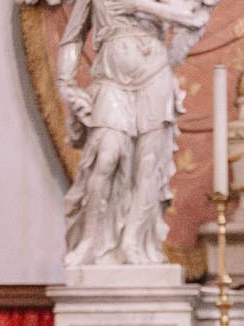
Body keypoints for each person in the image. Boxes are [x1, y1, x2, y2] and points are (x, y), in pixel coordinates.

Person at [56, 0, 212, 267]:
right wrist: (66, 82)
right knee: (106, 157)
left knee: (148, 165)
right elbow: (73, 37)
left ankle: (132, 242)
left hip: (155, 75)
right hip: (112, 79)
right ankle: (89, 241)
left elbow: (190, 16)